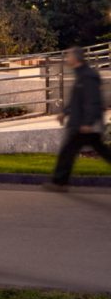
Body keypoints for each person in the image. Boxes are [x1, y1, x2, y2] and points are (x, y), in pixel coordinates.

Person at [44, 46, 111, 191]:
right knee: (100, 152)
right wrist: (65, 113)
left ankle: (59, 183)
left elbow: (92, 101)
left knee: (67, 152)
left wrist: (87, 123)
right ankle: (60, 182)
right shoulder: (82, 75)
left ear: (75, 58)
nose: (67, 58)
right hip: (82, 124)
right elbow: (77, 100)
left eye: (68, 56)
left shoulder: (88, 76)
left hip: (85, 125)